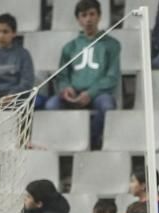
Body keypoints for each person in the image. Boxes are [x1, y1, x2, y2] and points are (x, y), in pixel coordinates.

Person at [46, 0, 119, 149]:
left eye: (92, 14)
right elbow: (62, 75)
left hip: (98, 93)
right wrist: (66, 88)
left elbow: (112, 77)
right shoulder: (70, 47)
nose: (88, 19)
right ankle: (70, 140)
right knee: (51, 105)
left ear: (99, 16)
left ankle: (91, 142)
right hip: (74, 93)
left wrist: (90, 93)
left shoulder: (112, 44)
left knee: (107, 106)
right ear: (78, 19)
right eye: (84, 15)